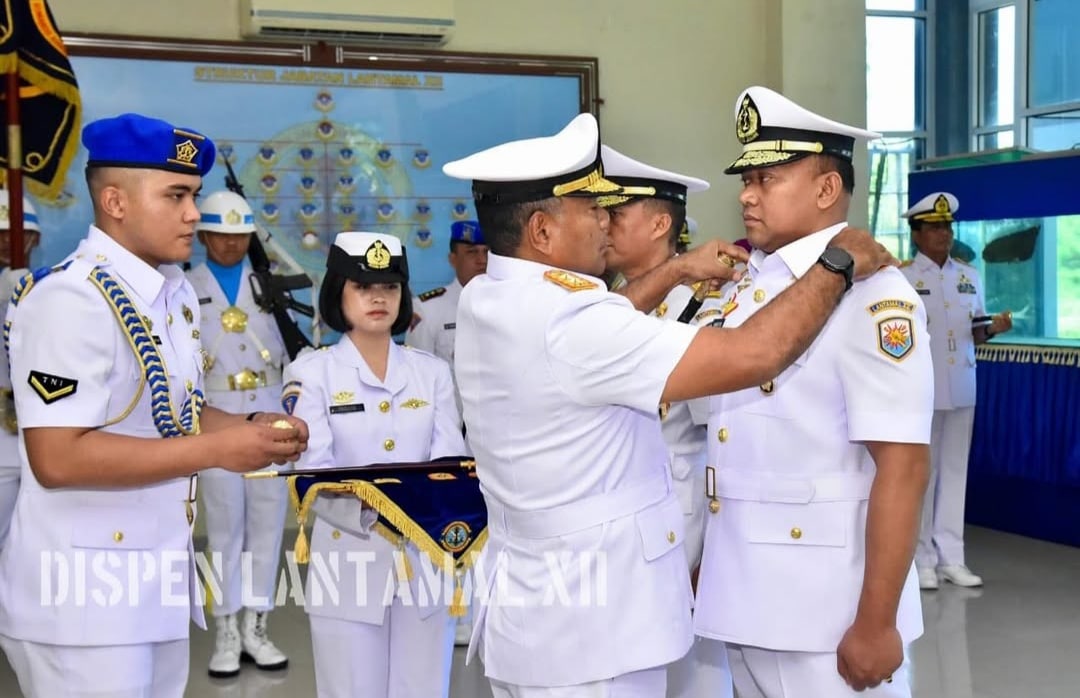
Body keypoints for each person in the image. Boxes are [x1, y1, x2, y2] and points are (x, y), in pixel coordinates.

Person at [443, 111, 896, 697]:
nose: (606, 221)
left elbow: (598, 332)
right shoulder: (569, 322)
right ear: (542, 232)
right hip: (598, 634)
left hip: (537, 617)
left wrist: (678, 269)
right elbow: (751, 355)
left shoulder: (491, 296)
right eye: (591, 209)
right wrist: (837, 262)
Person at [0, 113, 308, 698]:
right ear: (115, 200)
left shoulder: (171, 295)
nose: (194, 213)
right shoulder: (71, 299)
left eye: (191, 195)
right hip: (82, 602)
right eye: (177, 196)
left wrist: (248, 426)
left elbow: (173, 411)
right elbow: (57, 458)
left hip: (152, 588)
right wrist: (219, 449)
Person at [692, 85, 933, 697]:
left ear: (826, 190)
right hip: (747, 596)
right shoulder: (752, 287)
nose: (746, 193)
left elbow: (902, 465)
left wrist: (877, 622)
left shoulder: (872, 296)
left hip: (826, 612)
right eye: (746, 178)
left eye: (767, 178)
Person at [283, 231, 465, 698]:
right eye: (363, 286)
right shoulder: (311, 373)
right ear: (337, 294)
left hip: (425, 562)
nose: (378, 297)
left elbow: (448, 464)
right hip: (348, 561)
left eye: (389, 287)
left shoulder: (431, 372)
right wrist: (383, 508)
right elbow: (313, 474)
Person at [599, 143, 731, 698]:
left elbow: (724, 438)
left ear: (659, 224)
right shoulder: (605, 301)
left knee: (690, 674)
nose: (602, 226)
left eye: (616, 214)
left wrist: (718, 553)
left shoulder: (706, 307)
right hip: (618, 517)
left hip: (684, 521)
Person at [187, 190, 290, 677]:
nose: (230, 244)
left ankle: (258, 625)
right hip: (217, 414)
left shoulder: (272, 282)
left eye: (239, 234)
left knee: (268, 527)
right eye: (221, 234)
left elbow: (296, 349)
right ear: (203, 235)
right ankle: (225, 629)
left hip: (269, 411)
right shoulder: (186, 287)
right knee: (225, 530)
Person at [899, 191, 1012, 590]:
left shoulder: (969, 277)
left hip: (963, 384)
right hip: (922, 390)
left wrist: (993, 329)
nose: (943, 234)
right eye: (934, 227)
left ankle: (952, 556)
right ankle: (921, 558)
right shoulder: (903, 279)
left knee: (955, 473)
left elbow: (976, 333)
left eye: (947, 226)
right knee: (921, 475)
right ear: (916, 235)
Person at [0, 190, 42, 550]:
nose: (5, 242)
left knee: (32, 548)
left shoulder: (54, 289)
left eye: (12, 233)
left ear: (34, 239)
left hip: (39, 440)